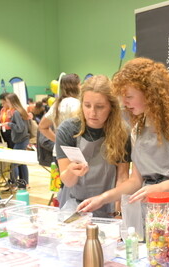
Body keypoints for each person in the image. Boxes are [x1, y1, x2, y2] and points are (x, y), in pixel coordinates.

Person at [76, 58, 169, 259]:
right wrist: (103, 198)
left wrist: (158, 188)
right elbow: (136, 181)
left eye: (129, 96)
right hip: (153, 215)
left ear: (150, 93)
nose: (125, 103)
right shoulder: (138, 128)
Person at [55, 75, 130, 216]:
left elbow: (122, 177)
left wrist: (118, 212)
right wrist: (72, 171)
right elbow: (68, 181)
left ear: (111, 107)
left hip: (107, 205)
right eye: (87, 105)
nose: (92, 113)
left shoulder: (122, 132)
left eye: (100, 107)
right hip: (74, 205)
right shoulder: (68, 129)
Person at [3, 93, 30, 186]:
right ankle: (24, 183)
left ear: (10, 101)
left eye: (6, 101)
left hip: (20, 140)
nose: (6, 103)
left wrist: (9, 124)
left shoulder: (16, 112)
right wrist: (11, 119)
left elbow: (20, 128)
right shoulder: (20, 111)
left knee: (15, 163)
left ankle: (14, 183)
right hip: (23, 139)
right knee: (21, 163)